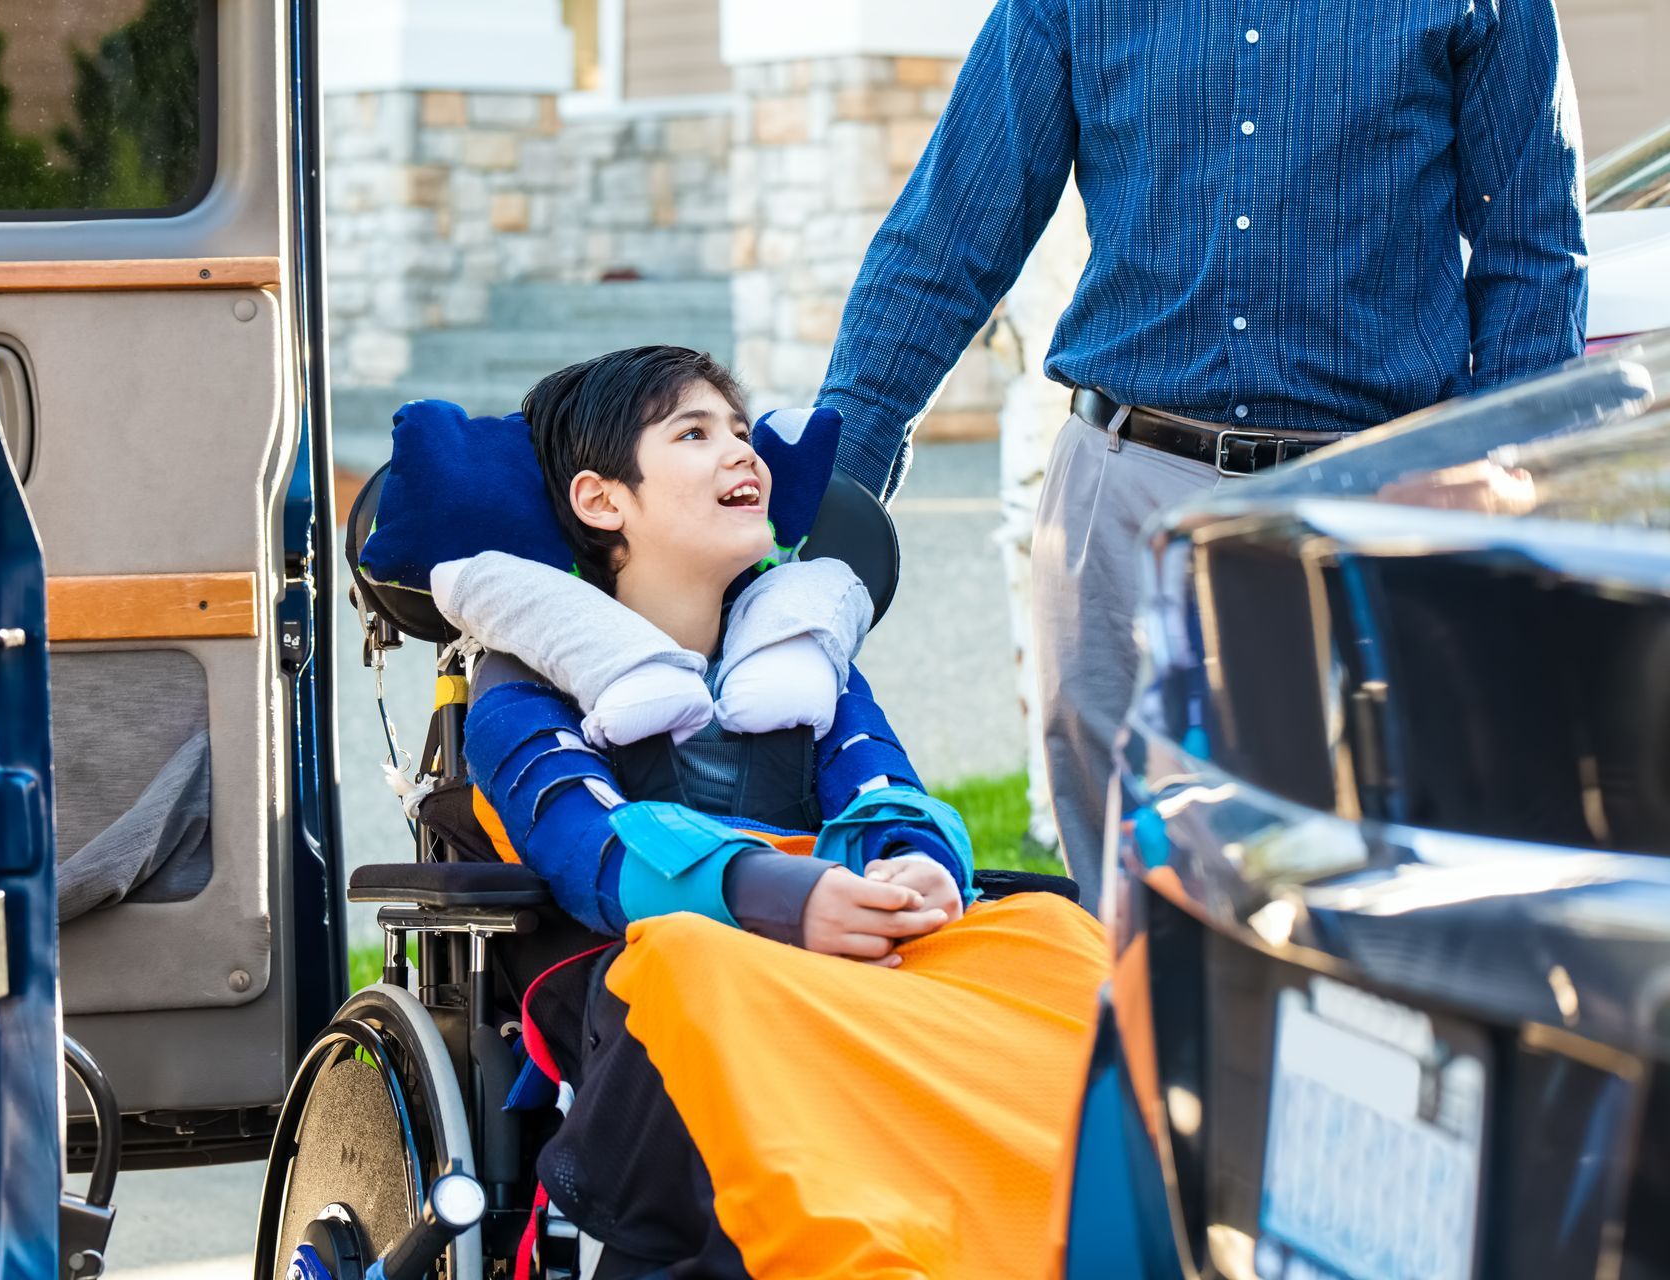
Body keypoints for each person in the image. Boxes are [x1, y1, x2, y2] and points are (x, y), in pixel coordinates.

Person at [816, 0, 1590, 910]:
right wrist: (835, 496)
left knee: (1349, 903)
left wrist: (1490, 488)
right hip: (1122, 491)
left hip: (1364, 505)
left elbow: (1534, 251)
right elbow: (949, 234)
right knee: (1121, 904)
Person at [460, 347, 1107, 1277]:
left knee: (1049, 935)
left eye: (739, 427)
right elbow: (587, 847)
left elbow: (883, 789)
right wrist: (780, 896)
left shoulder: (801, 660)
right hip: (653, 961)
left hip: (838, 933)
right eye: (694, 432)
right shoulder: (522, 686)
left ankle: (1081, 1230)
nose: (744, 452)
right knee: (697, 958)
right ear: (604, 501)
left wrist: (914, 864)